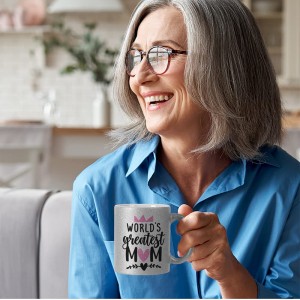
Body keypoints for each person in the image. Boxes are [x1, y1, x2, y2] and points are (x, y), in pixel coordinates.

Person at [68, 0, 300, 298]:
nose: (139, 76)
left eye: (162, 54)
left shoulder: (290, 189)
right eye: (136, 56)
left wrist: (229, 274)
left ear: (225, 64)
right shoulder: (98, 189)